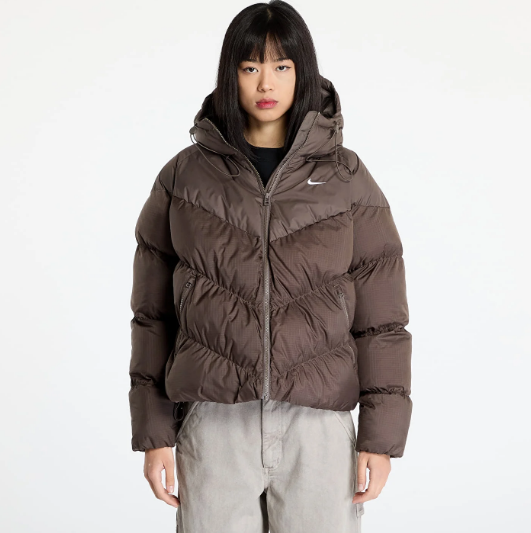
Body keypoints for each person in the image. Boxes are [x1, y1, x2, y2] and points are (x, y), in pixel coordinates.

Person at [128, 1, 412, 531]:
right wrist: (154, 432)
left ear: (303, 73)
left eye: (282, 65)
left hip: (318, 426)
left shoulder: (347, 179)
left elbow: (382, 321)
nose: (266, 82)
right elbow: (153, 316)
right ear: (230, 74)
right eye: (250, 66)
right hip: (214, 421)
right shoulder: (183, 179)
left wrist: (381, 436)